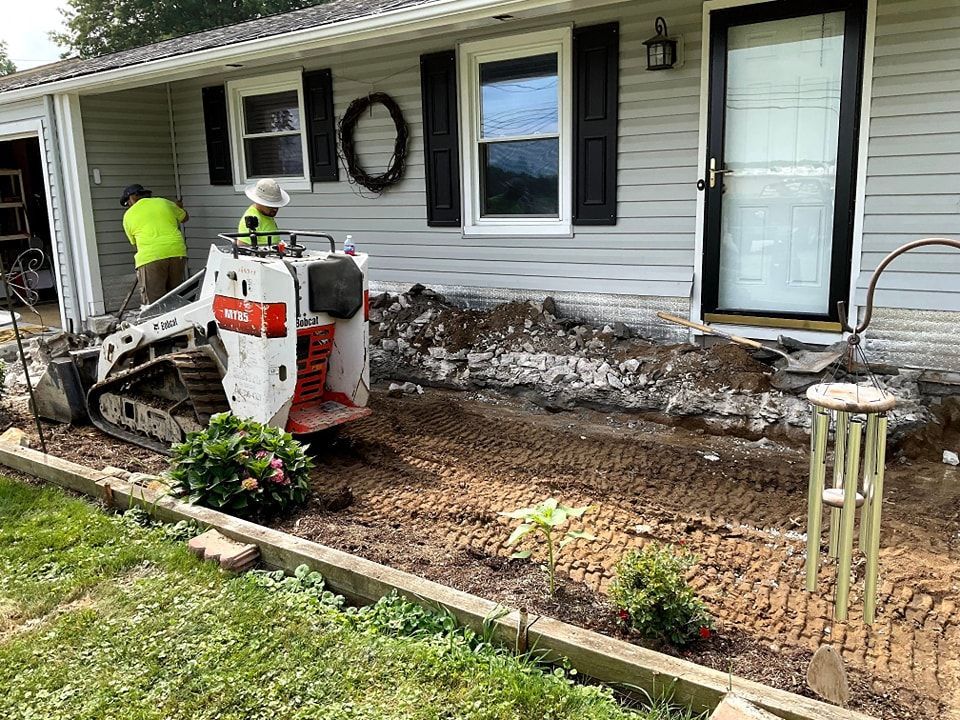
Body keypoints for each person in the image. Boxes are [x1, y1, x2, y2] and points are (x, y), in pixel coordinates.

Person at [121, 183, 189, 306]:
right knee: (175, 295)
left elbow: (135, 245)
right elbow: (184, 217)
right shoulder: (164, 202)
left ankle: (158, 322)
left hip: (150, 257)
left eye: (127, 202)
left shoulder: (128, 216)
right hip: (177, 252)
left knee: (154, 303)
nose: (128, 206)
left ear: (133, 198)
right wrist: (179, 208)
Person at [238, 178, 290, 245]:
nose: (275, 209)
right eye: (270, 206)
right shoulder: (251, 219)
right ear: (259, 202)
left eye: (276, 206)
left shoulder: (266, 214)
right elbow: (242, 247)